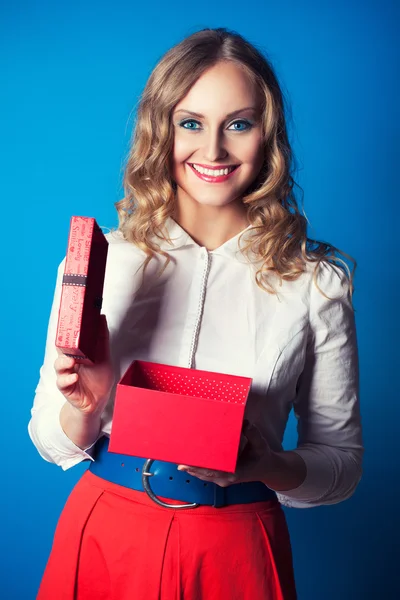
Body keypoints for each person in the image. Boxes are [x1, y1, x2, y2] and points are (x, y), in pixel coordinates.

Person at [29, 27, 363, 600]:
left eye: (239, 123)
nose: (213, 151)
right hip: (108, 531)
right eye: (191, 123)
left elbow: (340, 467)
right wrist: (86, 407)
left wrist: (266, 465)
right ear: (161, 131)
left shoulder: (318, 283)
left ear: (268, 136)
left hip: (237, 545)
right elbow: (49, 440)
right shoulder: (98, 261)